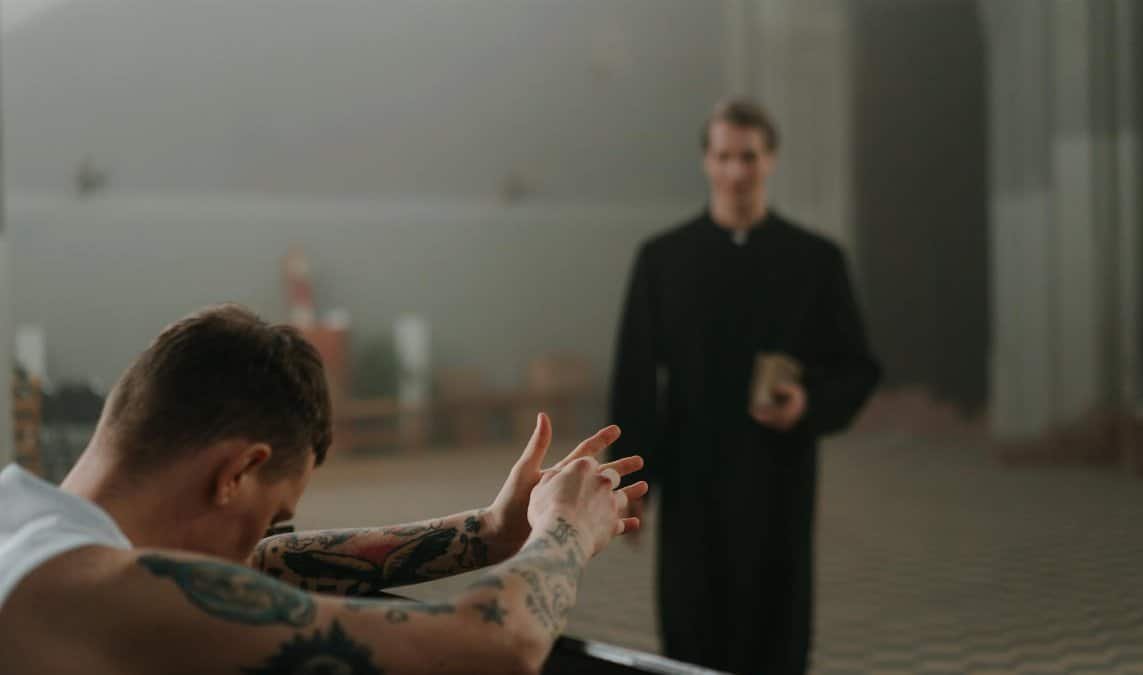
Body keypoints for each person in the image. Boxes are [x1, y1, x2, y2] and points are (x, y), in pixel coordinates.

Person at [0, 304, 648, 674]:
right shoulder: (92, 587)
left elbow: (264, 563)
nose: (262, 542)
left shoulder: (22, 522)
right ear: (235, 473)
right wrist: (567, 526)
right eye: (272, 513)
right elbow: (492, 646)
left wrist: (485, 532)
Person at [609, 99, 881, 673]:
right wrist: (632, 484)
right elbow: (636, 377)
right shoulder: (663, 260)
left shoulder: (816, 260)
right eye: (725, 157)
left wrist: (809, 402)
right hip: (692, 477)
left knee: (776, 628)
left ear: (770, 160)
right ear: (706, 161)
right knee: (691, 628)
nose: (737, 172)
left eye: (749, 157)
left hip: (777, 472)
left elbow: (857, 367)